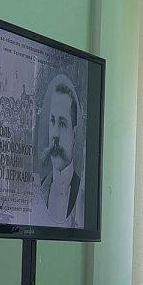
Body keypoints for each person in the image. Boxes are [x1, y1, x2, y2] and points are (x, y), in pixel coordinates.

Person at [41, 82, 81, 223]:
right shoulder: (41, 188)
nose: (55, 134)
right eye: (52, 121)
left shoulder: (82, 192)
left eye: (62, 123)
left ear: (74, 133)